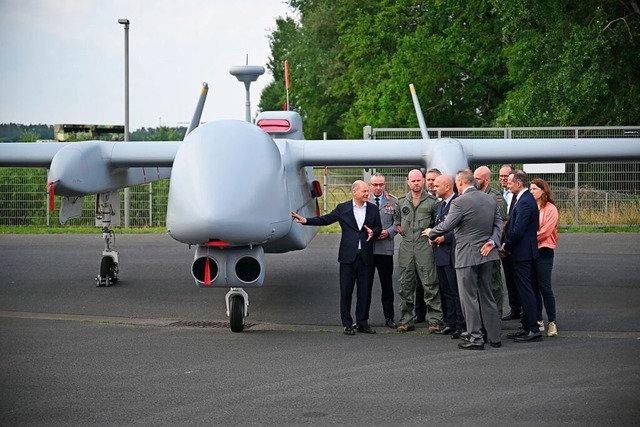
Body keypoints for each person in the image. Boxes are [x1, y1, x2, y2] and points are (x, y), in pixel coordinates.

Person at [291, 180, 382, 336]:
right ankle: (347, 323)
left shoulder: (373, 209)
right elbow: (326, 219)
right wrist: (306, 220)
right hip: (347, 258)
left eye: (368, 191)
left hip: (366, 257)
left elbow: (378, 227)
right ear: (354, 192)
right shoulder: (343, 208)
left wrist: (374, 232)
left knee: (365, 292)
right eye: (365, 191)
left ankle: (362, 322)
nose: (368, 193)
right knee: (346, 291)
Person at [426, 169, 503, 350]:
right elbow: (498, 224)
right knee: (487, 296)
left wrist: (432, 232)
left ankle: (475, 338)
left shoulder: (460, 202)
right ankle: (495, 337)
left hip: (466, 255)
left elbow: (448, 224)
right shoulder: (489, 199)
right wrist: (492, 241)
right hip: (487, 254)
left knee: (468, 298)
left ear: (460, 183)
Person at [394, 169, 442, 333]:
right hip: (407, 246)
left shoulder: (432, 202)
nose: (416, 183)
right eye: (413, 181)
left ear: (423, 181)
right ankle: (406, 320)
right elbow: (397, 223)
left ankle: (434, 320)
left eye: (419, 180)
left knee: (430, 283)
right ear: (408, 182)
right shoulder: (401, 202)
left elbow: (438, 224)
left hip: (424, 246)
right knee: (405, 285)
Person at [500, 170, 541, 343]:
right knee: (524, 290)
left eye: (510, 183)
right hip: (522, 252)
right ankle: (526, 326)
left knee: (526, 291)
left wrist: (506, 247)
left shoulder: (524, 202)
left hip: (521, 253)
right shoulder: (523, 200)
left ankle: (532, 329)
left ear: (518, 184)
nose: (507, 186)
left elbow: (518, 230)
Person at [429, 174, 465, 338]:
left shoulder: (456, 203)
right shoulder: (440, 204)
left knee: (456, 291)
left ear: (448, 187)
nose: (433, 188)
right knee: (446, 291)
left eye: (437, 185)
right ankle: (450, 322)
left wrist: (444, 237)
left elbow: (458, 228)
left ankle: (461, 324)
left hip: (452, 254)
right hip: (440, 253)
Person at [474, 166, 507, 316]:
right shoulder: (473, 194)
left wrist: (495, 243)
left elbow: (502, 223)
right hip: (475, 247)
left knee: (493, 283)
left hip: (490, 246)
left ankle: (496, 315)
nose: (475, 181)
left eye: (478, 178)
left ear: (486, 180)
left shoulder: (495, 197)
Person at [368, 173, 398, 329]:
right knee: (365, 284)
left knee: (387, 286)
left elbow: (398, 223)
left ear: (385, 185)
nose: (378, 188)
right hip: (368, 249)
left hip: (385, 249)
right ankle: (362, 318)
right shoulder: (364, 200)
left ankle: (389, 317)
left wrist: (388, 232)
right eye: (375, 185)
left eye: (381, 185)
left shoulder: (393, 201)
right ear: (369, 185)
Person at [529, 178, 559, 337]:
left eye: (534, 189)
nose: (531, 191)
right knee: (533, 287)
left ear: (543, 190)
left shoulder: (551, 209)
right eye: (530, 189)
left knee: (544, 287)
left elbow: (546, 232)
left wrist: (529, 238)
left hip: (544, 250)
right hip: (531, 250)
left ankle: (552, 322)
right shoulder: (531, 206)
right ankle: (538, 319)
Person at [415, 168, 442, 322]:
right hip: (422, 245)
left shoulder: (443, 199)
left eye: (435, 180)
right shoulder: (420, 198)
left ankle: (439, 314)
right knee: (421, 280)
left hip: (440, 244)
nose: (432, 183)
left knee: (437, 281)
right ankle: (419, 313)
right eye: (429, 180)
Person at [498, 164, 522, 321]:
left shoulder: (518, 196)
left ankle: (523, 308)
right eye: (500, 176)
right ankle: (514, 309)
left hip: (514, 241)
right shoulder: (498, 195)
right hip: (501, 241)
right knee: (508, 276)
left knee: (519, 276)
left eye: (506, 176)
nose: (503, 179)